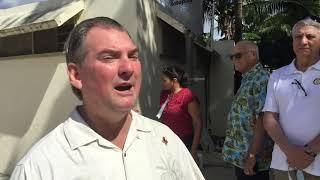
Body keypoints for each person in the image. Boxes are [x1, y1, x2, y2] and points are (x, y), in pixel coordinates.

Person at [9, 17, 205, 180]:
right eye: (109, 57)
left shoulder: (166, 141)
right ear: (77, 75)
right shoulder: (38, 168)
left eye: (133, 56)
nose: (128, 68)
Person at [263, 17, 320, 180]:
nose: (303, 41)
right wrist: (290, 151)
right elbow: (269, 118)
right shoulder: (277, 75)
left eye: (310, 37)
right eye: (298, 37)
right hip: (283, 164)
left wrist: (309, 152)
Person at [222, 40, 272, 180]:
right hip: (242, 156)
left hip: (252, 159)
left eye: (237, 56)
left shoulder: (261, 79)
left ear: (252, 55)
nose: (234, 60)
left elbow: (263, 119)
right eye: (231, 57)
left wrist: (252, 155)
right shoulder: (248, 79)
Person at [158, 65, 203, 161]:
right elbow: (163, 118)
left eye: (164, 80)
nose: (162, 83)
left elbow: (197, 123)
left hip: (184, 142)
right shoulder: (164, 94)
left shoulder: (187, 95)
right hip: (167, 141)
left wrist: (194, 150)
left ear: (174, 81)